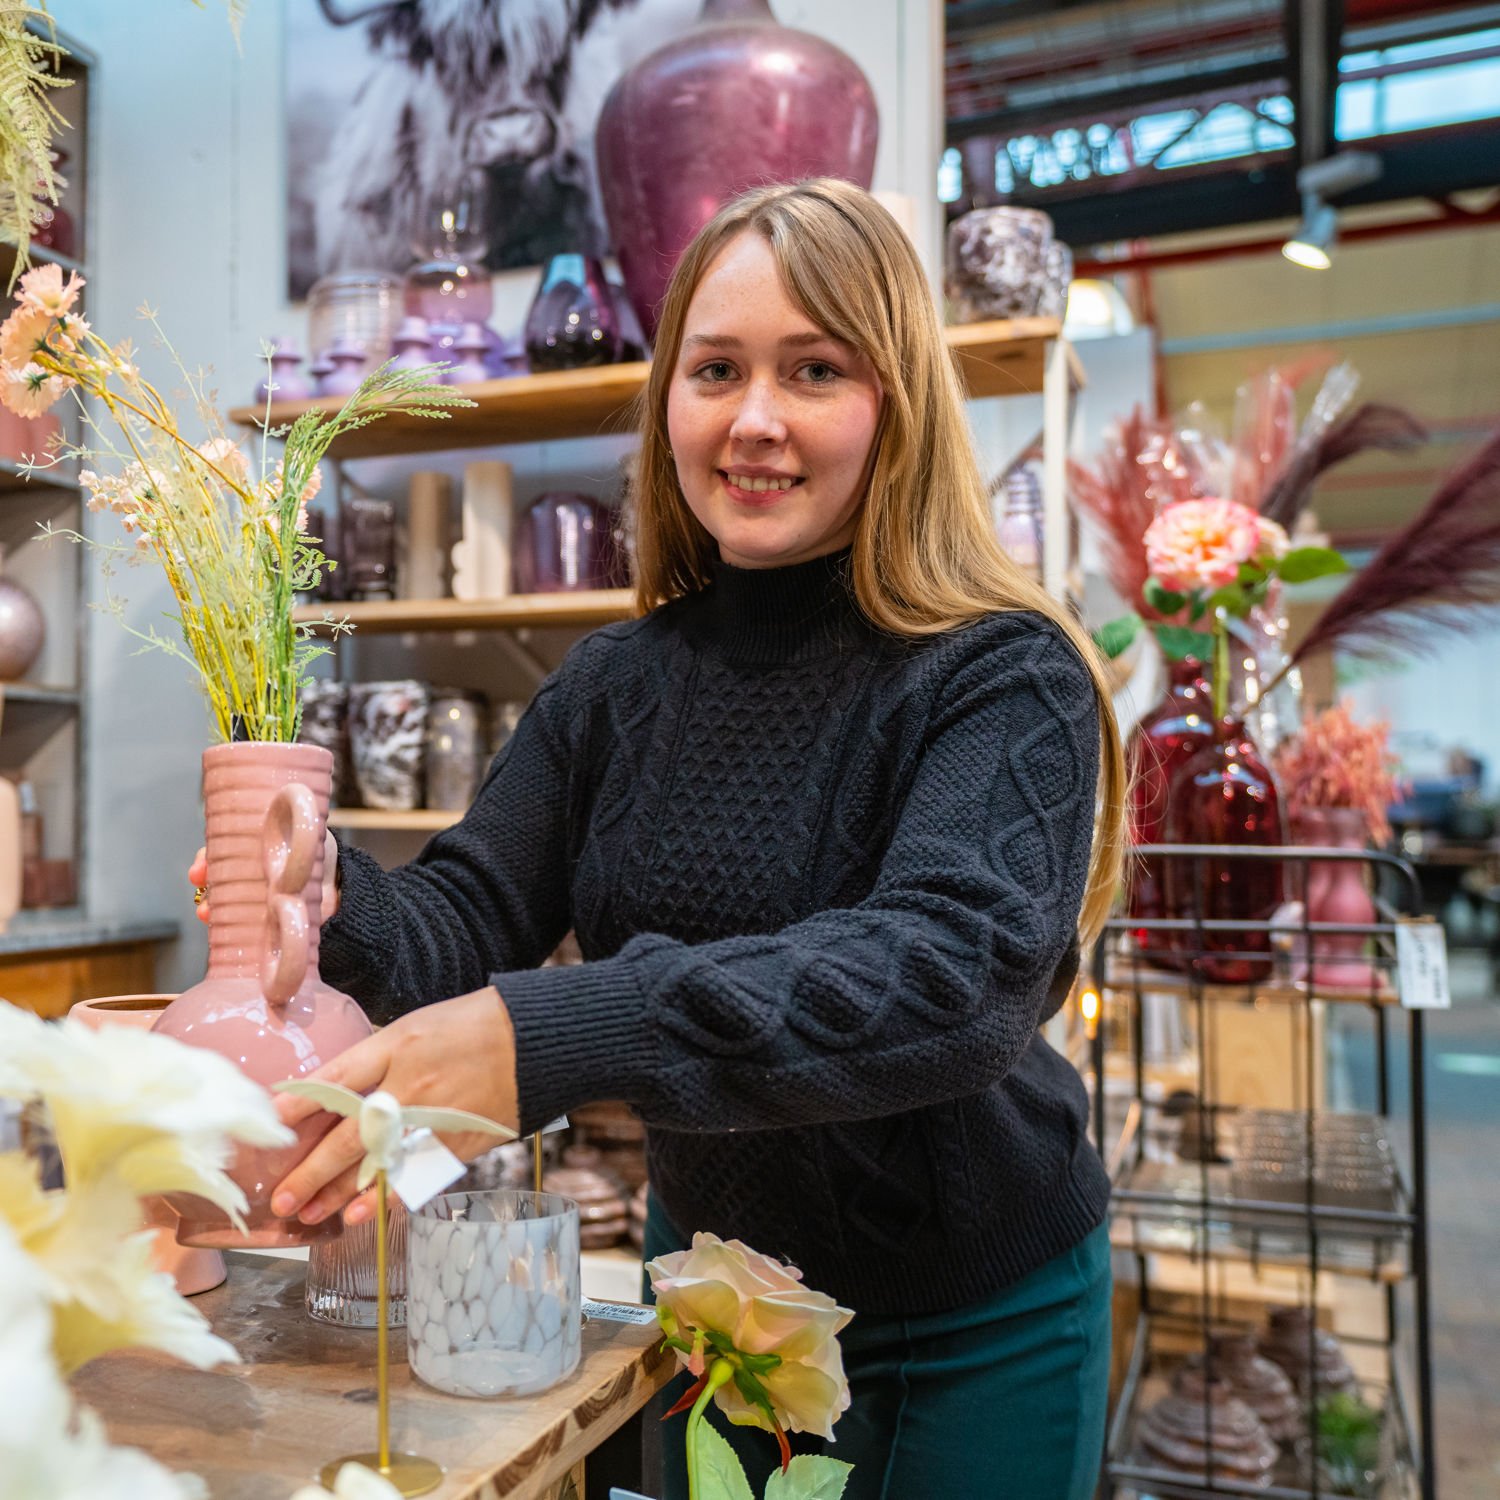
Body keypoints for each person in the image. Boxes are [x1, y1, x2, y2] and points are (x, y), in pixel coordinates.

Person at [193, 178, 1128, 1499]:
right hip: (713, 1297)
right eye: (716, 370)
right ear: (667, 402)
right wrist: (323, 903)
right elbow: (471, 911)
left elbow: (954, 974)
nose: (754, 419)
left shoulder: (998, 672)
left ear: (897, 403)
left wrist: (562, 1037)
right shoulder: (616, 685)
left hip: (968, 1321)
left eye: (814, 370)